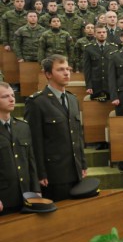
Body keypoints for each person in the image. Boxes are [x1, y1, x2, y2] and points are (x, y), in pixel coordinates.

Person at [24, 55, 87, 201]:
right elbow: (34, 141)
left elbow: (77, 135)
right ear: (48, 74)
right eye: (60, 70)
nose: (66, 73)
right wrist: (40, 173)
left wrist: (82, 163)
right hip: (54, 174)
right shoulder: (37, 102)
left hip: (75, 170)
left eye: (67, 69)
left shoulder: (72, 99)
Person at [0, 81, 39, 213]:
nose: (12, 99)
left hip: (26, 195)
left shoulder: (23, 127)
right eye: (5, 96)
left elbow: (31, 160)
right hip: (4, 198)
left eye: (12, 95)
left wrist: (36, 189)